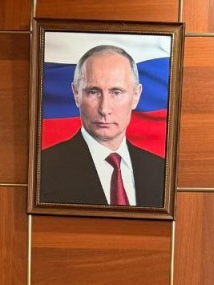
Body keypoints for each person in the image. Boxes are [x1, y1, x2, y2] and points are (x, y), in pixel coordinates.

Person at [39, 44, 165, 207]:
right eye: (93, 92)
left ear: (136, 96)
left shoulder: (160, 170)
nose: (104, 109)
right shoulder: (44, 168)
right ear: (76, 94)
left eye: (116, 92)